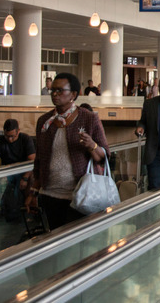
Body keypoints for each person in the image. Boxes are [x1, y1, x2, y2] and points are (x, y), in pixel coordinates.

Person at [26, 73, 109, 230]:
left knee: (77, 242)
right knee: (55, 240)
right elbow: (39, 160)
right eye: (53, 90)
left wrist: (92, 145)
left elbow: (104, 157)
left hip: (80, 195)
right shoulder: (45, 122)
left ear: (73, 94)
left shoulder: (89, 118)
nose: (55, 94)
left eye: (60, 90)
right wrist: (33, 191)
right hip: (50, 194)